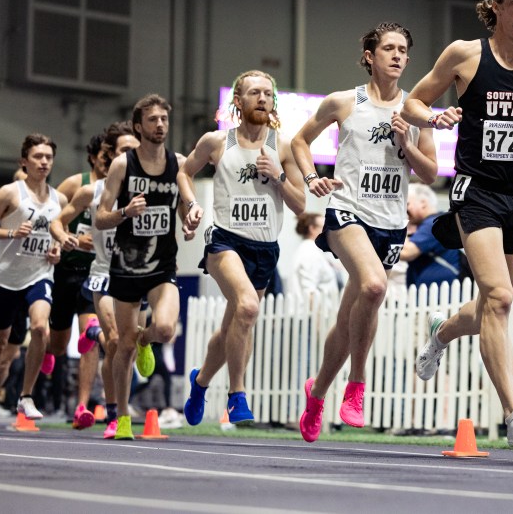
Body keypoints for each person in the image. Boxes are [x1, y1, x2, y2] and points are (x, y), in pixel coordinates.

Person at [403, 0, 513, 449]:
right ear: (495, 7)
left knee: (496, 301)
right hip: (476, 192)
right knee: (498, 296)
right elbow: (414, 100)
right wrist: (433, 116)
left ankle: (441, 331)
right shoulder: (465, 54)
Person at [293, 22, 438, 442]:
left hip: (389, 224)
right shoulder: (342, 101)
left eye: (403, 50)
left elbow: (429, 172)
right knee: (375, 287)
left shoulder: (416, 110)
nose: (397, 55)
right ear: (370, 57)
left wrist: (407, 141)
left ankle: (317, 392)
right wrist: (311, 179)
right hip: (347, 211)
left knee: (348, 317)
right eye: (388, 48)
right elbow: (300, 142)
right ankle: (357, 386)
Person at [180, 70, 306, 426]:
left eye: (268, 93)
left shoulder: (283, 145)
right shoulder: (218, 142)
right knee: (248, 309)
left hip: (265, 248)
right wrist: (190, 204)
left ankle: (200, 383)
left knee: (233, 325)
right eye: (254, 93)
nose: (262, 98)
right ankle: (238, 395)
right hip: (225, 241)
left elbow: (300, 205)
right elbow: (184, 172)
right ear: (239, 101)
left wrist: (279, 176)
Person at [95, 94, 186, 440]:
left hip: (162, 265)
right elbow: (100, 218)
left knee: (163, 330)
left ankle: (148, 341)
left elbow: (186, 201)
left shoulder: (177, 163)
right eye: (152, 120)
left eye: (164, 119)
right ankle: (122, 417)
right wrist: (124, 213)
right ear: (138, 126)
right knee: (123, 344)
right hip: (126, 267)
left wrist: (190, 216)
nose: (160, 125)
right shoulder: (122, 166)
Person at [51, 121, 140, 438]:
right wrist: (67, 237)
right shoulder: (90, 190)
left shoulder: (151, 189)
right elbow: (57, 220)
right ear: (111, 157)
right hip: (99, 273)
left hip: (136, 276)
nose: (129, 157)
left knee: (123, 345)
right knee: (112, 341)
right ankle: (114, 413)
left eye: (134, 151)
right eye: (122, 152)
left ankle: (114, 407)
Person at [0, 134, 67, 430]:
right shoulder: (10, 193)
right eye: (38, 157)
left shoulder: (59, 199)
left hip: (39, 275)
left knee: (41, 327)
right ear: (23, 162)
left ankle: (26, 395)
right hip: (6, 277)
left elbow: (58, 236)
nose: (43, 162)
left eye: (48, 157)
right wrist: (11, 233)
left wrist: (56, 251)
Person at [48, 131, 110, 430]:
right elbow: (52, 220)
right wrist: (70, 239)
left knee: (89, 337)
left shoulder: (120, 186)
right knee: (59, 345)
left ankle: (83, 406)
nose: (109, 161)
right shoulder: (76, 184)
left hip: (93, 274)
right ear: (94, 157)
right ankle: (46, 350)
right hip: (65, 271)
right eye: (104, 156)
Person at [401, 183, 464, 290]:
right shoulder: (436, 222)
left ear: (423, 203)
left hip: (438, 297)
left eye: (407, 204)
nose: (404, 210)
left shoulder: (432, 224)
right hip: (434, 296)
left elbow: (405, 253)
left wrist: (400, 223)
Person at [291, 213, 341, 308]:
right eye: (325, 228)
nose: (329, 231)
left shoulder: (314, 251)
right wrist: (317, 321)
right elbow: (309, 292)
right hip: (312, 317)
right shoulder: (309, 252)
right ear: (312, 229)